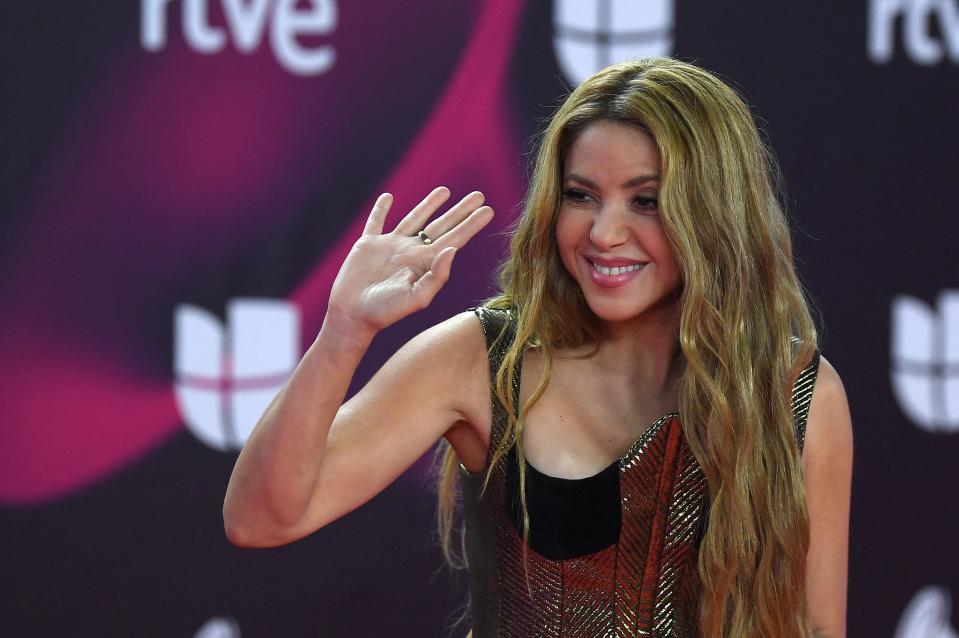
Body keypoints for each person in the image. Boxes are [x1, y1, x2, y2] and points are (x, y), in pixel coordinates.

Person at [223, 58, 852, 637]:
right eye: (581, 196)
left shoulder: (794, 391)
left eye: (647, 201)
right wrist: (343, 331)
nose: (605, 233)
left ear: (714, 213)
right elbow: (262, 518)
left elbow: (818, 627)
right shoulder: (480, 357)